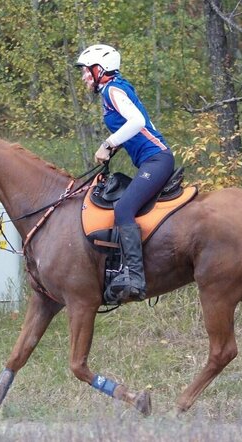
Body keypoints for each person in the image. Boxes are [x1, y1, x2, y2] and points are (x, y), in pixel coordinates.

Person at [76, 44, 175, 303]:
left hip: (157, 160)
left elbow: (138, 122)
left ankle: (135, 277)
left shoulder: (113, 90)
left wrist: (108, 143)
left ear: (100, 69)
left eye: (87, 71)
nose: (84, 76)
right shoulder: (114, 89)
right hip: (151, 161)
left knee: (123, 210)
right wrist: (114, 147)